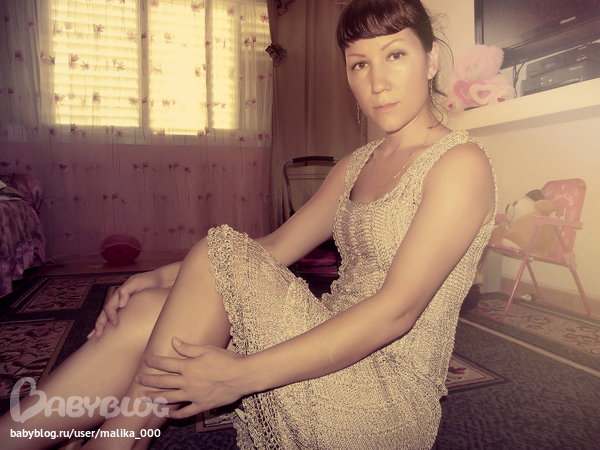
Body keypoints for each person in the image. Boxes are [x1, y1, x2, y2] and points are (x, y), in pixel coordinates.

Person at [0, 0, 496, 448]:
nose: (377, 82)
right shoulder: (356, 165)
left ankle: (115, 443)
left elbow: (396, 312)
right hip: (328, 339)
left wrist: (239, 375)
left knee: (219, 254)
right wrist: (155, 277)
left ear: (431, 60)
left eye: (396, 55)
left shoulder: (460, 164)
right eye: (359, 64)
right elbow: (274, 247)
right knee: (149, 309)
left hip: (382, 397)